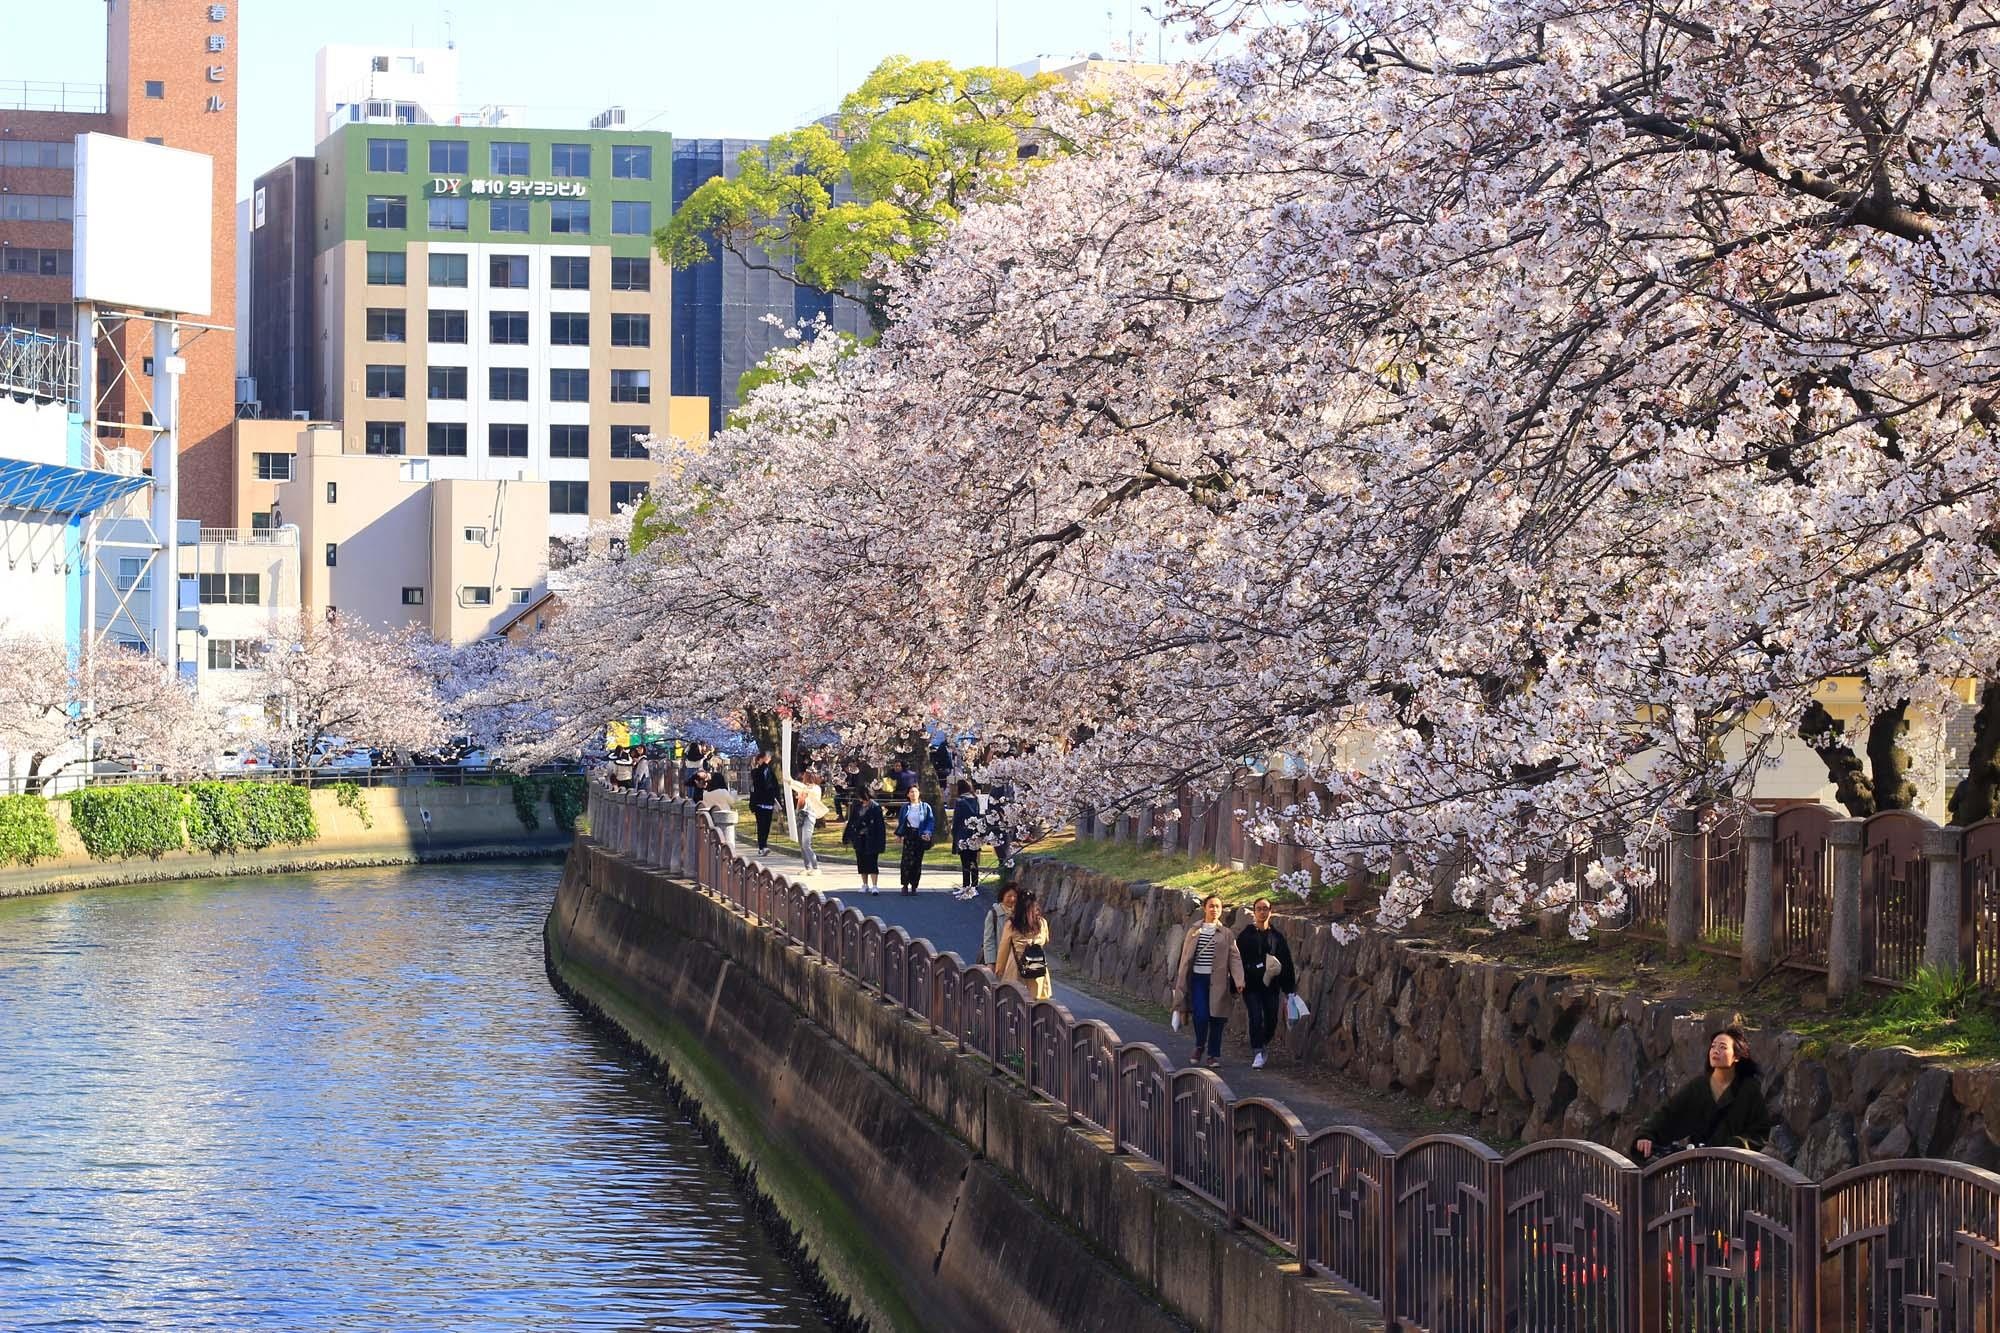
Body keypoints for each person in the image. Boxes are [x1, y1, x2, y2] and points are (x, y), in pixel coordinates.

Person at [1634, 1025, 1772, 1159]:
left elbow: (1760, 1131)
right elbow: (1669, 1113)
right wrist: (1646, 1135)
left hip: (1733, 1170)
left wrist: (1737, 1145)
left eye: (1722, 1047)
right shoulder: (1698, 1086)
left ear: (1737, 1056)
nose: (1715, 1051)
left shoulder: (1749, 1089)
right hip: (1699, 1166)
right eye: (1713, 1046)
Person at [1172, 895, 1245, 1070]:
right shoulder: (1194, 930)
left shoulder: (1227, 934)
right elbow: (1185, 958)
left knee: (1217, 1018)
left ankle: (1213, 1055)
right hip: (1198, 979)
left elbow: (1235, 958)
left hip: (1219, 981)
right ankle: (1199, 1046)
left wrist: (1239, 979)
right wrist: (1181, 980)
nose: (1215, 910)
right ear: (1205, 908)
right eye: (1211, 906)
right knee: (1201, 1015)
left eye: (1218, 907)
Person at [1236, 898, 1297, 1069]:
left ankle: (1263, 1043)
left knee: (1271, 1019)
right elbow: (1237, 959)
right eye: (1259, 909)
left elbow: (1286, 962)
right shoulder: (1246, 935)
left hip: (1271, 985)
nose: (1262, 912)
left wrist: (1289, 989)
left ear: (1271, 911)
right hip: (1251, 985)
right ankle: (1257, 1051)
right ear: (1254, 912)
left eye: (1266, 909)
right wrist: (1238, 981)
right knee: (1256, 1016)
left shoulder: (1276, 937)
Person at [994, 889, 1053, 1001]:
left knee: (1016, 1004)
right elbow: (1045, 940)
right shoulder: (1042, 922)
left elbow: (1004, 948)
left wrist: (999, 970)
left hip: (1017, 967)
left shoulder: (1012, 924)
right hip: (1037, 967)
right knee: (1037, 1003)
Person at [783, 768, 829, 874]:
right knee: (801, 843)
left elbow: (804, 790)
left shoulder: (816, 789)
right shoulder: (804, 788)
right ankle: (807, 867)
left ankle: (815, 867)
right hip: (800, 815)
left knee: (806, 843)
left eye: (806, 775)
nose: (804, 776)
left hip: (809, 816)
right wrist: (790, 782)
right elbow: (799, 788)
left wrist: (792, 782)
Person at [842, 788, 887, 894]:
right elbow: (852, 821)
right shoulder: (857, 806)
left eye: (864, 798)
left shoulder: (875, 807)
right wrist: (847, 836)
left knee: (872, 861)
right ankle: (865, 884)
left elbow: (880, 826)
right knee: (861, 860)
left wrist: (880, 841)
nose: (862, 800)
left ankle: (875, 885)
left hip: (871, 837)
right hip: (859, 837)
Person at [951, 779, 989, 901]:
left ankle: (966, 885)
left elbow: (957, 819)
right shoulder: (975, 799)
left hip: (963, 833)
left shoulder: (960, 801)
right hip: (974, 832)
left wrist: (954, 833)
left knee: (965, 861)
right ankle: (975, 884)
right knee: (973, 860)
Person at [896, 784, 935, 894]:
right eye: (911, 792)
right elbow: (901, 822)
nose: (914, 794)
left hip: (920, 834)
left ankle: (914, 885)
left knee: (917, 861)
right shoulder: (905, 807)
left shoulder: (925, 807)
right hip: (909, 834)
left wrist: (928, 832)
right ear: (908, 794)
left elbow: (930, 821)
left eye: (915, 792)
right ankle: (905, 884)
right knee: (906, 861)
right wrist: (899, 834)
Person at [748, 752, 782, 855]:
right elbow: (761, 779)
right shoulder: (756, 772)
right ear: (759, 760)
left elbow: (775, 786)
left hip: (769, 802)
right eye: (763, 759)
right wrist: (764, 764)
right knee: (761, 825)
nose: (766, 761)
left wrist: (778, 801)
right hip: (759, 803)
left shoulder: (770, 771)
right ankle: (762, 846)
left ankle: (764, 845)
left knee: (767, 825)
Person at [980, 884, 1019, 967]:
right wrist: (990, 963)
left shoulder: (1020, 914)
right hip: (1000, 961)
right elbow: (989, 940)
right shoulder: (994, 914)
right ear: (1002, 896)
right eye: (1009, 896)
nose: (1012, 899)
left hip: (1016, 962)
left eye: (1015, 896)